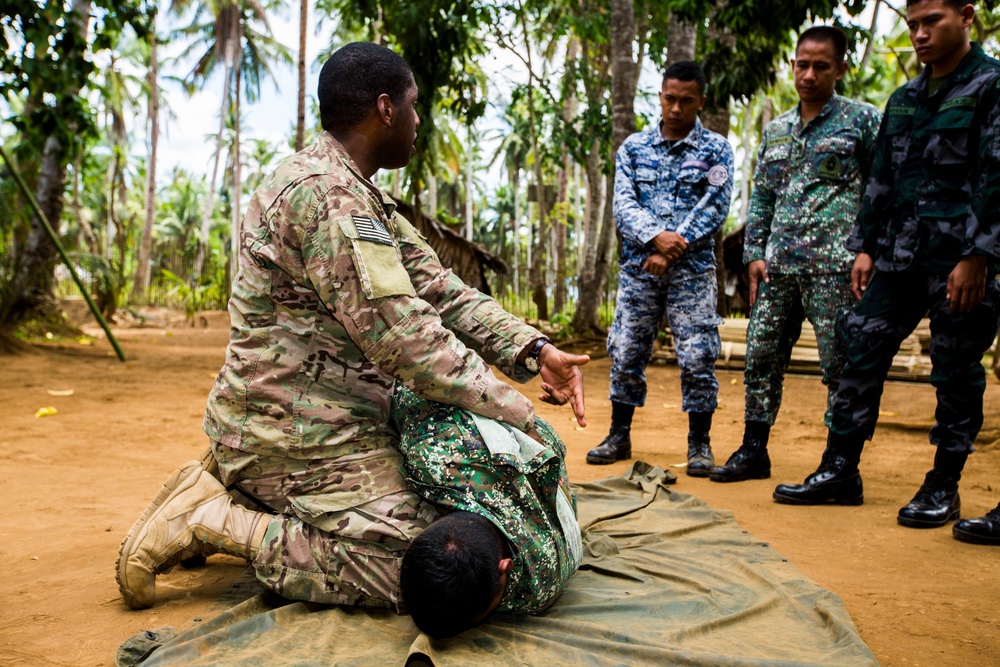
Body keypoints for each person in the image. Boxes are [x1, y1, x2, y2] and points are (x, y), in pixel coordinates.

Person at [116, 42, 589, 612]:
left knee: (467, 529)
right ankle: (221, 520)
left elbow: (440, 291)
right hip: (301, 438)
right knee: (437, 568)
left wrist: (534, 349)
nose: (419, 122)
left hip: (325, 419)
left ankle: (244, 485)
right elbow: (405, 339)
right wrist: (519, 414)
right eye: (415, 106)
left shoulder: (354, 195)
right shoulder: (329, 199)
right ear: (386, 109)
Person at [772, 0, 1000, 530]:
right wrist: (865, 246)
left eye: (931, 23)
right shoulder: (904, 99)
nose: (919, 35)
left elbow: (995, 176)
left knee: (955, 370)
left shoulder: (990, 86)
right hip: (897, 256)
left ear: (965, 17)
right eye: (912, 25)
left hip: (960, 261)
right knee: (860, 348)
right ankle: (840, 469)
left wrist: (978, 255)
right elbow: (881, 181)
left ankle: (943, 485)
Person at [710, 26, 881, 483]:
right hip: (778, 268)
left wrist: (869, 249)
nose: (808, 75)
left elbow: (883, 190)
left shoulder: (862, 121)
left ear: (842, 68)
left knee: (840, 365)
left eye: (820, 66)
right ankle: (754, 449)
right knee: (760, 357)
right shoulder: (777, 129)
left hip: (836, 270)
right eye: (801, 65)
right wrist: (754, 254)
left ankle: (840, 462)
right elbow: (762, 196)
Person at [587, 61, 734, 476]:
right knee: (627, 349)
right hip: (639, 270)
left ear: (700, 101)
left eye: (686, 101)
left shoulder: (717, 151)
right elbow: (624, 205)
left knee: (697, 354)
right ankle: (619, 434)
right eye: (670, 99)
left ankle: (699, 443)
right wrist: (655, 237)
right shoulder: (634, 149)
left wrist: (670, 249)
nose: (676, 108)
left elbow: (714, 205)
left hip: (692, 272)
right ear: (661, 97)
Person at [394, 387, 582, 637]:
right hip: (521, 433)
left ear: (506, 567)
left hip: (531, 433)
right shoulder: (428, 454)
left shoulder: (536, 587)